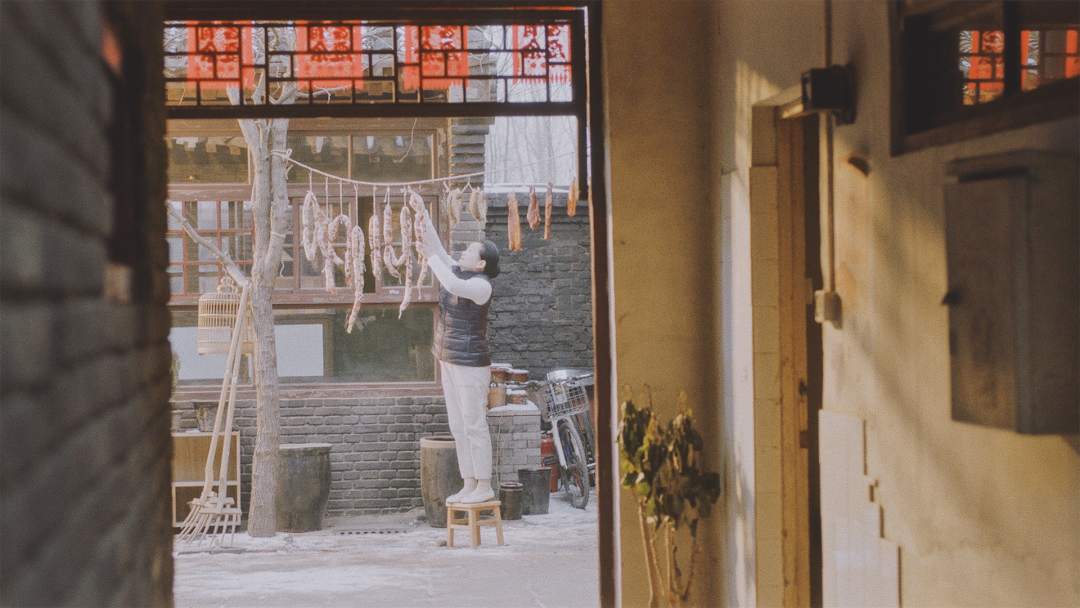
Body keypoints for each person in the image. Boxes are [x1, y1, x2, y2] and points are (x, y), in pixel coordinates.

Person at [420, 214, 501, 504]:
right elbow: (440, 251)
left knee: (474, 423)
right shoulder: (460, 271)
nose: (462, 253)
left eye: (469, 251)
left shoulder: (481, 286)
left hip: (471, 363)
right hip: (449, 358)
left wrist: (430, 259)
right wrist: (422, 213)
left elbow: (451, 284)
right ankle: (469, 482)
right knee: (458, 425)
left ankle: (484, 485)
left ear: (481, 264)